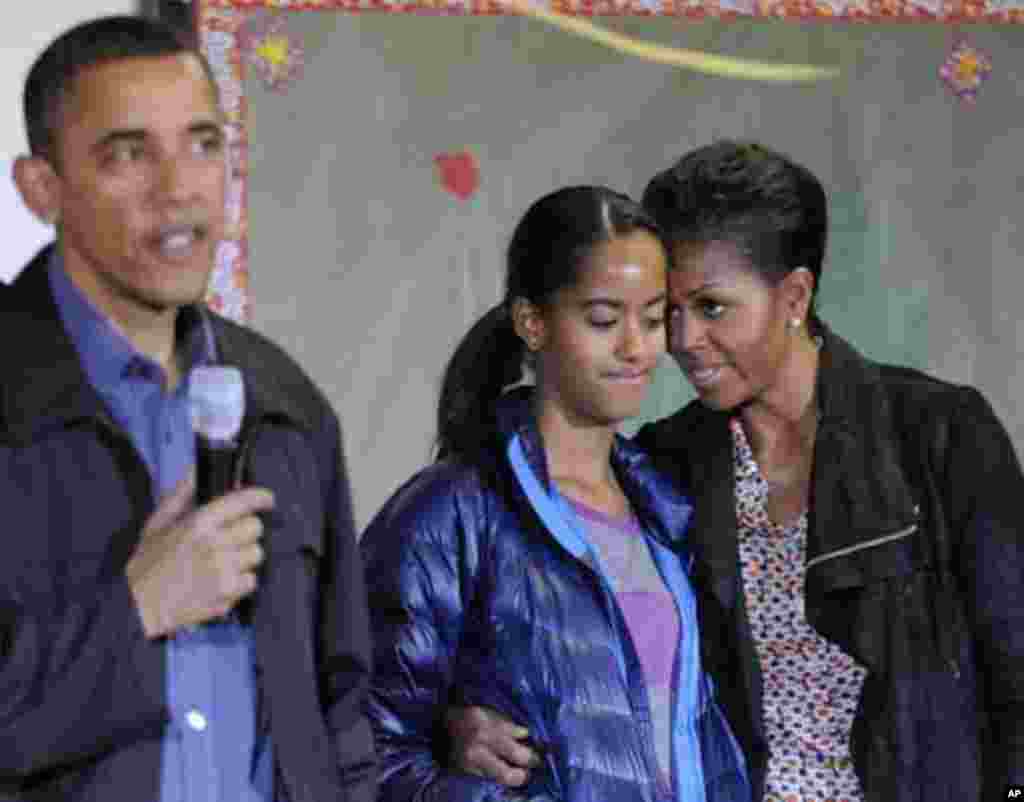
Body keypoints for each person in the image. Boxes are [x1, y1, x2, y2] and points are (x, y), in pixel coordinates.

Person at [445, 141, 1024, 801]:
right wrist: (457, 719)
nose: (685, 340)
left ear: (795, 296)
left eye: (713, 307)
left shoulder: (938, 435)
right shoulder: (662, 466)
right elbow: (568, 649)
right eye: (673, 310)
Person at [0, 16, 375, 801]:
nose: (180, 189)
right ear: (42, 189)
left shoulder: (287, 404)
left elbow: (341, 712)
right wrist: (136, 609)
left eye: (204, 144)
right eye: (129, 154)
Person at [360, 185, 749, 802]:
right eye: (602, 320)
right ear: (531, 322)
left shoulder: (670, 509)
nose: (635, 347)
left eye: (651, 319)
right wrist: (449, 742)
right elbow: (362, 753)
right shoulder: (449, 513)